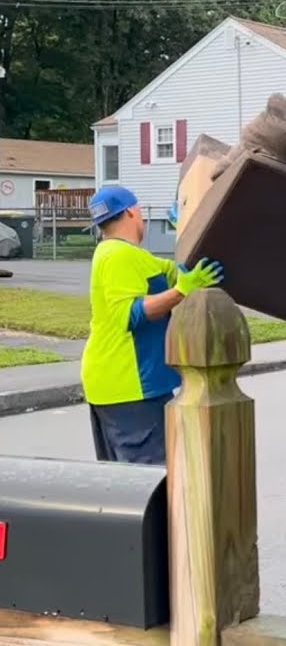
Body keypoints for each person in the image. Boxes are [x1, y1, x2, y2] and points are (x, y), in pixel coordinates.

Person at [81, 185, 224, 465]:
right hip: (129, 384)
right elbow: (132, 313)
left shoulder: (129, 254)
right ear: (133, 212)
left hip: (118, 383)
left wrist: (186, 228)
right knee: (150, 479)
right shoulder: (116, 255)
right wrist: (181, 291)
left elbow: (174, 272)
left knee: (128, 480)